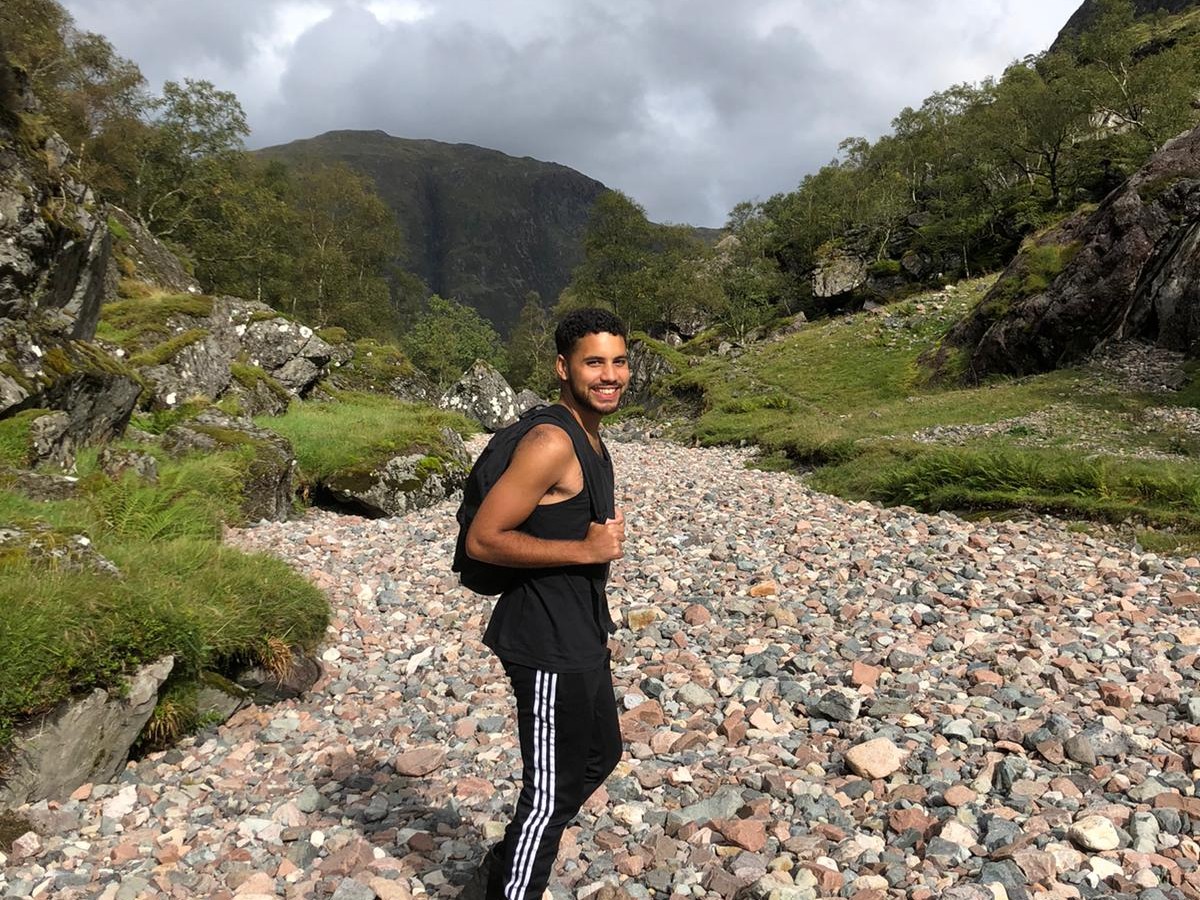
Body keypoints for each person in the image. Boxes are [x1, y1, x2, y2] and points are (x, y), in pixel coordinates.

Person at [462, 307, 630, 900]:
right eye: (594, 362)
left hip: (581, 632)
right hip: (544, 642)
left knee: (601, 754)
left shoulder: (592, 435)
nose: (609, 375)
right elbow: (483, 538)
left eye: (618, 361)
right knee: (548, 797)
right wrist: (584, 553)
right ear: (564, 368)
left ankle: (501, 868)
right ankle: (511, 885)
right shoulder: (550, 442)